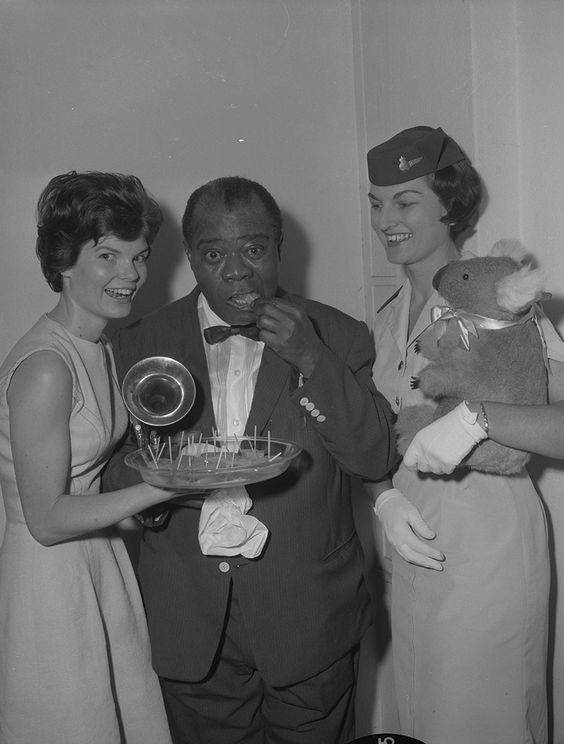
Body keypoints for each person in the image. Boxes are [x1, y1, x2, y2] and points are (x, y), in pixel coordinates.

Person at [102, 175, 397, 744]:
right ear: (190, 258)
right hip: (191, 624)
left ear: (280, 248)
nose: (236, 271)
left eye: (254, 249)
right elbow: (111, 473)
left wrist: (314, 360)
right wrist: (165, 485)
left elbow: (373, 455)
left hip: (311, 621)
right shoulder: (136, 342)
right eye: (213, 254)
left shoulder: (339, 334)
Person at [365, 126, 564, 744]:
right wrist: (382, 499)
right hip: (407, 536)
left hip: (485, 540)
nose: (385, 220)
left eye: (405, 200)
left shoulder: (498, 302)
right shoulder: (387, 312)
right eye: (375, 202)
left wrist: (479, 416)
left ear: (449, 202)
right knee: (416, 717)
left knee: (479, 721)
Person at [0, 171, 177, 744]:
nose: (129, 274)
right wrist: (165, 486)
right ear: (64, 260)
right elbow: (47, 519)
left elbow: (89, 482)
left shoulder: (96, 347)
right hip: (50, 580)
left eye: (139, 256)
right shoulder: (47, 365)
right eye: (107, 255)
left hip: (98, 563)